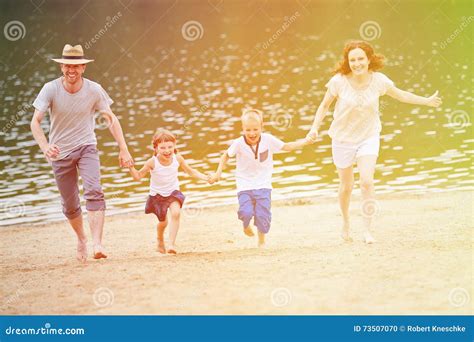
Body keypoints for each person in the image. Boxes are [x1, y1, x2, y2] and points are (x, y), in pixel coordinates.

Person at [306, 40, 442, 243]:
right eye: (352, 60)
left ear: (369, 59)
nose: (357, 63)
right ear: (348, 62)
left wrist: (426, 101)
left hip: (368, 136)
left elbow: (401, 95)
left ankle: (367, 230)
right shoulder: (339, 81)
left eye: (360, 58)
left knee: (367, 182)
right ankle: (345, 222)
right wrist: (314, 128)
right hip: (342, 138)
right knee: (346, 186)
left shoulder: (379, 81)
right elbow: (324, 105)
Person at [30, 44, 134, 262]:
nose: (72, 70)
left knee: (94, 190)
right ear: (61, 67)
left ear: (83, 68)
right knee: (70, 204)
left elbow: (111, 119)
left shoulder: (94, 90)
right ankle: (81, 239)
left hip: (87, 146)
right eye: (68, 65)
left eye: (76, 66)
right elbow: (35, 123)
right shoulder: (50, 89)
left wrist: (123, 148)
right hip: (59, 153)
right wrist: (45, 146)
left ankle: (98, 244)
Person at [210, 108, 312, 247]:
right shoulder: (239, 143)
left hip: (263, 185)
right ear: (243, 129)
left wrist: (305, 142)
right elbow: (226, 155)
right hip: (244, 185)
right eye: (248, 130)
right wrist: (218, 173)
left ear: (261, 127)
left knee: (263, 214)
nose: (252, 133)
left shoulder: (268, 140)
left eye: (255, 129)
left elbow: (286, 146)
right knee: (246, 212)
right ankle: (246, 225)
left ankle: (261, 240)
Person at [128, 129, 210, 254]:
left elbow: (190, 171)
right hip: (157, 196)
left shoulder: (178, 158)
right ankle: (160, 239)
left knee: (176, 213)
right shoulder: (152, 162)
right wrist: (130, 167)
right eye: (162, 148)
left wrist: (205, 178)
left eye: (170, 147)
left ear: (174, 146)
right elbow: (138, 177)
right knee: (163, 222)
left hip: (173, 192)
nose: (167, 151)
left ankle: (171, 244)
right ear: (156, 148)